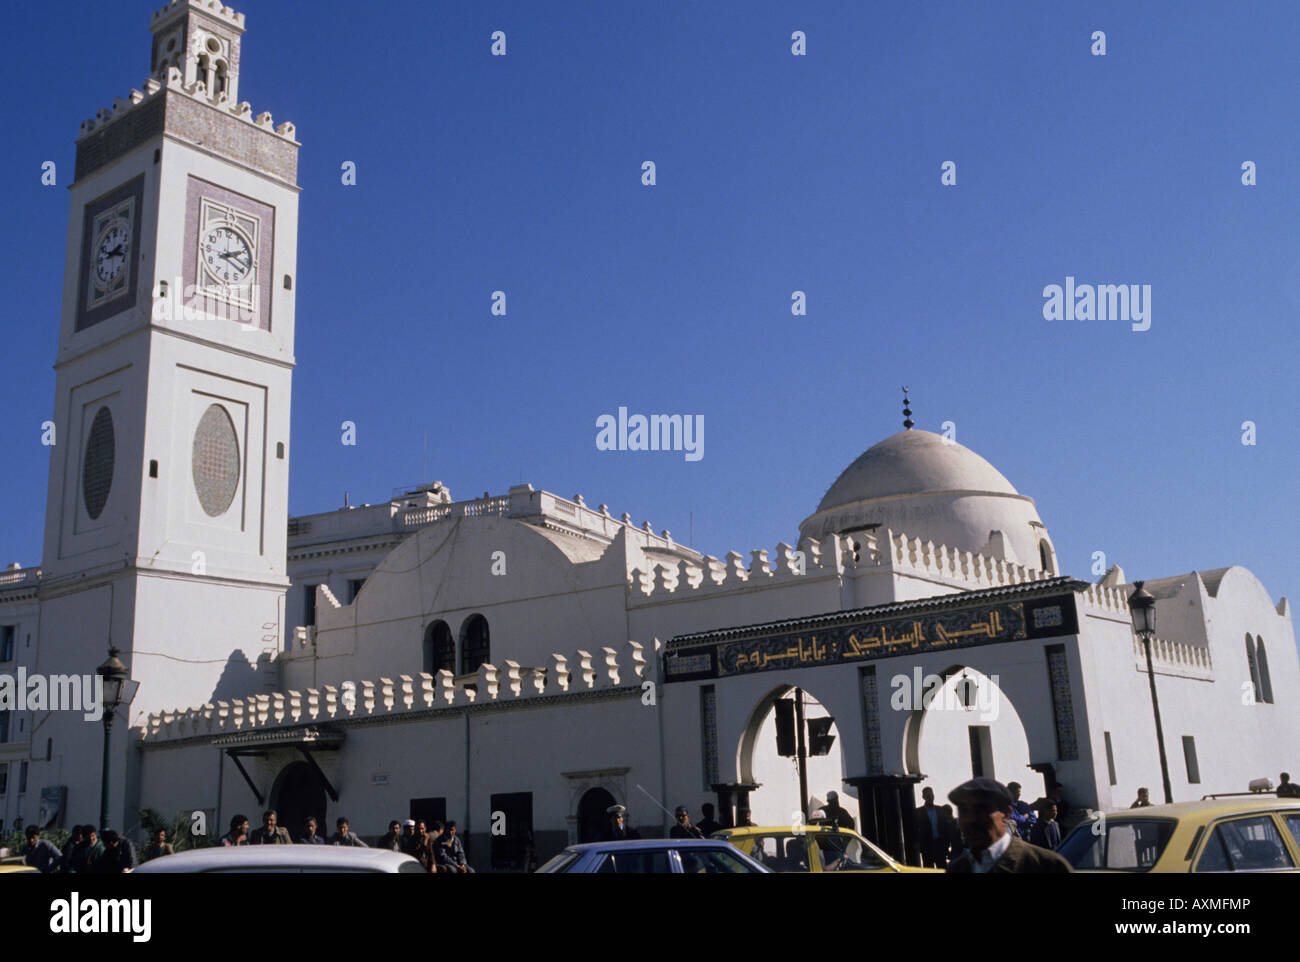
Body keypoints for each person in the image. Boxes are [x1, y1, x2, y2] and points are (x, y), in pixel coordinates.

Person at [945, 777, 1072, 874]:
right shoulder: (956, 869)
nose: (971, 819)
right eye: (963, 811)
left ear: (1006, 814)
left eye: (981, 810)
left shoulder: (1046, 865)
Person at [914, 786, 959, 868]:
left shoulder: (940, 810)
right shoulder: (918, 812)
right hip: (927, 847)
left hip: (940, 845)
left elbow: (946, 829)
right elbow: (914, 829)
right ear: (923, 797)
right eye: (928, 796)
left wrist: (947, 845)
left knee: (942, 868)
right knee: (929, 870)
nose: (930, 797)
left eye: (931, 795)